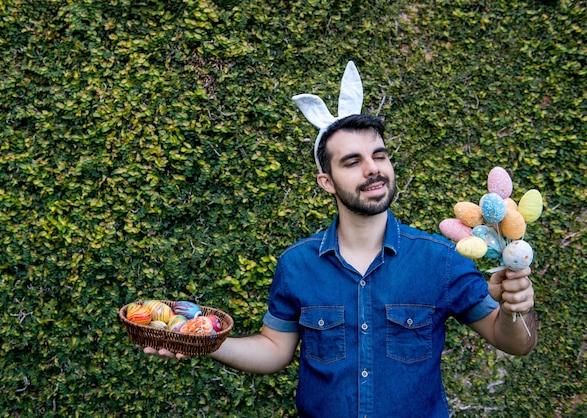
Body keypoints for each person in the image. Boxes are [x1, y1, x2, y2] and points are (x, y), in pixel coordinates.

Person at [144, 63, 537, 417]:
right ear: (326, 182)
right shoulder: (297, 265)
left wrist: (517, 307)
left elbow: (515, 342)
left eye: (379, 156)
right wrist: (207, 342)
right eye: (352, 162)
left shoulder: (441, 260)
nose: (373, 170)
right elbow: (274, 350)